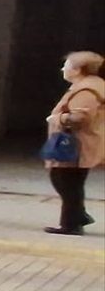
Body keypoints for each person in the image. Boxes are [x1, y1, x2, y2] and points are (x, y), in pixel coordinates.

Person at [43, 49, 105, 235]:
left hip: (76, 144)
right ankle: (76, 218)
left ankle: (72, 223)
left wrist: (57, 119)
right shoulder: (91, 85)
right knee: (71, 182)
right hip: (81, 142)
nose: (63, 69)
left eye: (66, 66)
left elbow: (80, 118)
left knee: (65, 180)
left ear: (78, 70)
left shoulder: (87, 90)